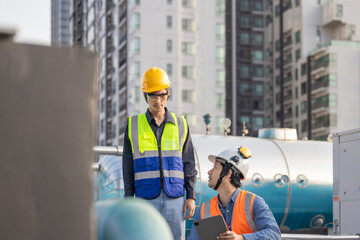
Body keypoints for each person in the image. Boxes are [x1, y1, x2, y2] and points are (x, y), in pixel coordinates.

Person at [122, 66, 197, 240]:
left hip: (175, 198)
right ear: (145, 96)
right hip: (145, 198)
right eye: (152, 95)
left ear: (168, 93)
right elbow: (128, 166)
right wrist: (128, 199)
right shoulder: (133, 124)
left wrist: (191, 196)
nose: (158, 100)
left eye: (162, 95)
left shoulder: (181, 123)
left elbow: (189, 163)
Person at [188, 147, 281, 240]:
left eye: (215, 167)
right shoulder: (204, 209)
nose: (209, 172)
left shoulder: (254, 203)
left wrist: (242, 238)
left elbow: (274, 234)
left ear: (228, 173)